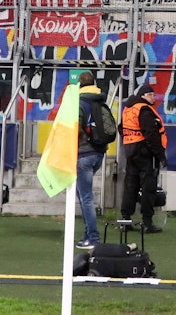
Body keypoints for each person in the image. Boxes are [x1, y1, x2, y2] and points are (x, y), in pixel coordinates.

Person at [120, 83, 167, 233]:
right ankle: (147, 223)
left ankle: (125, 220)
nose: (153, 97)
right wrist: (160, 155)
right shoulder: (144, 110)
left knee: (130, 187)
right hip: (145, 153)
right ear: (143, 96)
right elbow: (151, 135)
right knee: (148, 188)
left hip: (130, 151)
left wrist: (130, 140)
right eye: (150, 95)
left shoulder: (128, 108)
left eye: (153, 94)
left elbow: (121, 128)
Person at [75, 71, 107, 250]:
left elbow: (76, 128)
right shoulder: (101, 100)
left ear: (80, 84)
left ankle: (93, 237)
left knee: (85, 196)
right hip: (99, 152)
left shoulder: (79, 102)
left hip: (84, 153)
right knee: (82, 193)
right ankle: (88, 235)